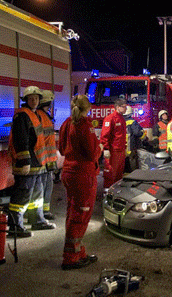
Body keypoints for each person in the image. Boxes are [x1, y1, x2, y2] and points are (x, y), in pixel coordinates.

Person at [59, 95, 102, 270]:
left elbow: (62, 149)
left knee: (73, 212)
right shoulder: (85, 125)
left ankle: (78, 251)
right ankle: (71, 257)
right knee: (81, 215)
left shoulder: (66, 123)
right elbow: (92, 153)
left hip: (69, 172)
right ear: (88, 108)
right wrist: (100, 148)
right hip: (83, 175)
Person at [8, 86, 56, 238]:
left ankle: (37, 220)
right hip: (27, 164)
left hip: (37, 164)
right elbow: (21, 140)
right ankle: (15, 226)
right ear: (26, 100)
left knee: (37, 195)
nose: (34, 101)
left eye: (36, 98)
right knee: (22, 195)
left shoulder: (36, 115)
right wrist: (25, 162)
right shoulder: (22, 116)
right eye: (31, 98)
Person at [37, 90, 57, 220]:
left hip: (46, 158)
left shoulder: (42, 115)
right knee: (44, 186)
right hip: (44, 159)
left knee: (46, 185)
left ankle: (44, 211)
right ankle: (42, 213)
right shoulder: (41, 116)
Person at [100, 99, 127, 189]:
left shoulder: (121, 118)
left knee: (119, 174)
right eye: (124, 107)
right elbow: (105, 135)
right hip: (113, 151)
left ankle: (116, 192)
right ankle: (107, 193)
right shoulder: (110, 118)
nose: (126, 108)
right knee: (110, 173)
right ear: (117, 107)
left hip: (120, 150)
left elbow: (121, 135)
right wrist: (106, 149)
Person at [123, 105, 145, 172]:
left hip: (123, 148)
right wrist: (143, 135)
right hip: (131, 146)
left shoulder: (120, 121)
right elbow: (137, 133)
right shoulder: (132, 122)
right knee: (132, 165)